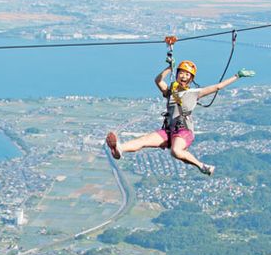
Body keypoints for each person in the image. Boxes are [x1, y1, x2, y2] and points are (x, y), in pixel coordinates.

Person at [105, 60, 255, 176]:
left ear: (191, 79)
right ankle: (119, 149)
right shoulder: (171, 91)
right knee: (144, 140)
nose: (183, 76)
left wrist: (237, 76)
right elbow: (158, 81)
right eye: (181, 73)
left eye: (187, 74)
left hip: (184, 131)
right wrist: (168, 68)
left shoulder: (195, 93)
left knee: (176, 151)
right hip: (169, 130)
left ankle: (202, 166)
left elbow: (217, 87)